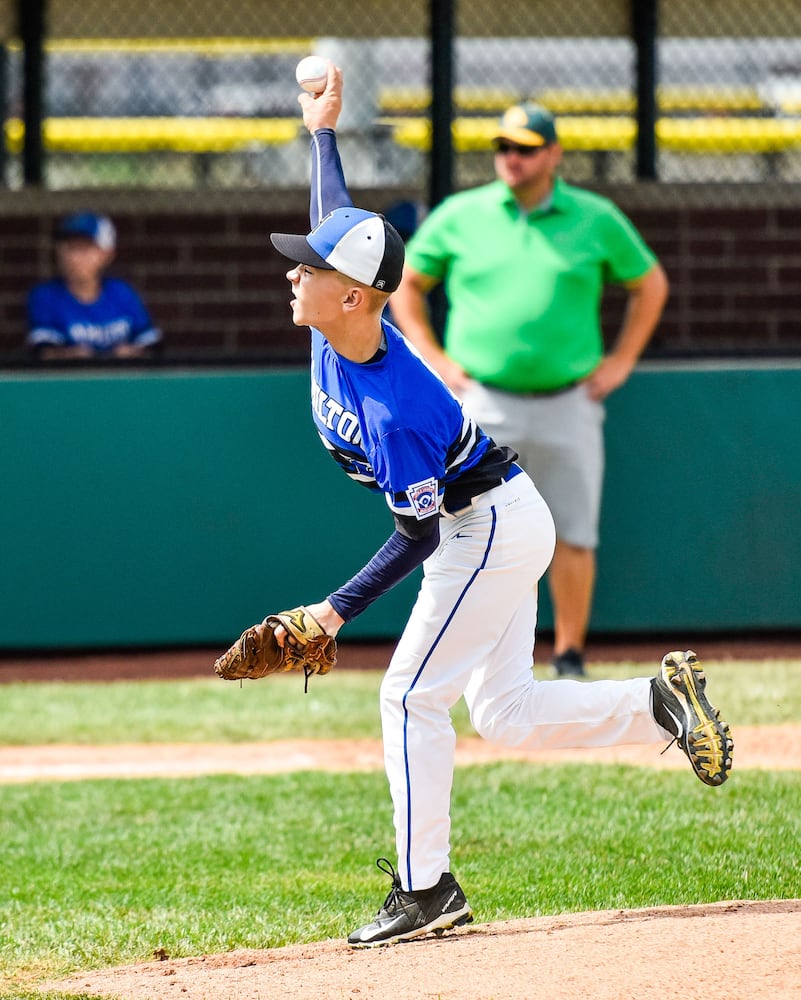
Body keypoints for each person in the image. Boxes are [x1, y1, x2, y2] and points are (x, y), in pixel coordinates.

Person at [251, 63, 730, 948]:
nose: (291, 277)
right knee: (500, 713)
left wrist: (332, 609)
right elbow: (338, 221)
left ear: (351, 295)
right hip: (499, 519)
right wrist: (321, 130)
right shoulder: (347, 318)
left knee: (406, 699)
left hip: (485, 530)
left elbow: (418, 533)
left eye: (306, 271)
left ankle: (423, 888)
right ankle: (656, 703)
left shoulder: (395, 406)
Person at [389, 103, 669, 678]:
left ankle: (568, 655)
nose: (511, 159)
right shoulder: (461, 214)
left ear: (553, 154)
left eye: (525, 148)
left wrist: (620, 363)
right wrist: (433, 357)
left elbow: (650, 284)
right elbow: (406, 284)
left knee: (573, 530)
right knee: (463, 526)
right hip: (482, 401)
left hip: (569, 399)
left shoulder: (595, 216)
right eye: (503, 148)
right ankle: (462, 655)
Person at [26, 211, 162, 360]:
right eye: (68, 248)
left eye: (84, 248)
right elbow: (43, 353)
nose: (73, 258)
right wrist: (71, 356)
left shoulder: (122, 293)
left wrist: (131, 353)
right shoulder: (46, 296)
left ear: (107, 254)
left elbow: (152, 347)